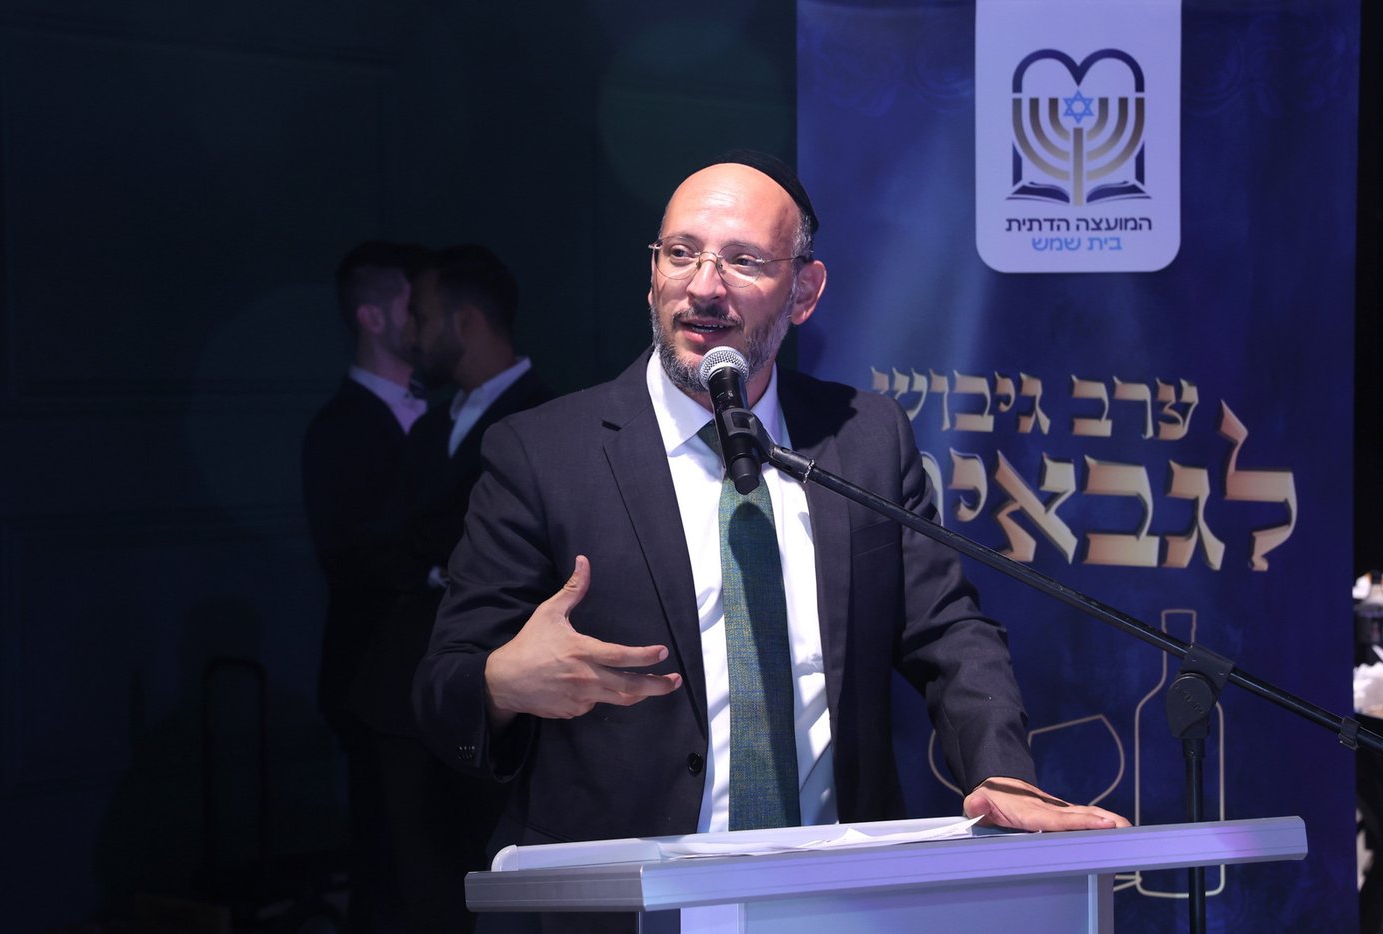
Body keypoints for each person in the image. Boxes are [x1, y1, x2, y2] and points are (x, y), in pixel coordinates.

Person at [413, 152, 1127, 929]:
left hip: (833, 901)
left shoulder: (863, 439)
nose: (704, 286)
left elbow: (946, 628)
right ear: (652, 276)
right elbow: (442, 687)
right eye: (681, 253)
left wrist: (1001, 771)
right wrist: (501, 683)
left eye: (743, 261)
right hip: (619, 906)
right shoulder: (544, 451)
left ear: (805, 291)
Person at [346, 244, 554, 933]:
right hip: (401, 696)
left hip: (506, 712)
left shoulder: (549, 419)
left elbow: (447, 541)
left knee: (491, 891)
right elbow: (378, 541)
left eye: (423, 316)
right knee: (413, 892)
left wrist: (428, 559)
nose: (411, 334)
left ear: (465, 321)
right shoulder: (430, 423)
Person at [302, 239, 427, 933]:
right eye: (414, 305)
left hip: (430, 682)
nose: (427, 318)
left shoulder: (441, 411)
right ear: (373, 317)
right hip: (373, 677)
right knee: (386, 868)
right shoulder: (339, 429)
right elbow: (353, 561)